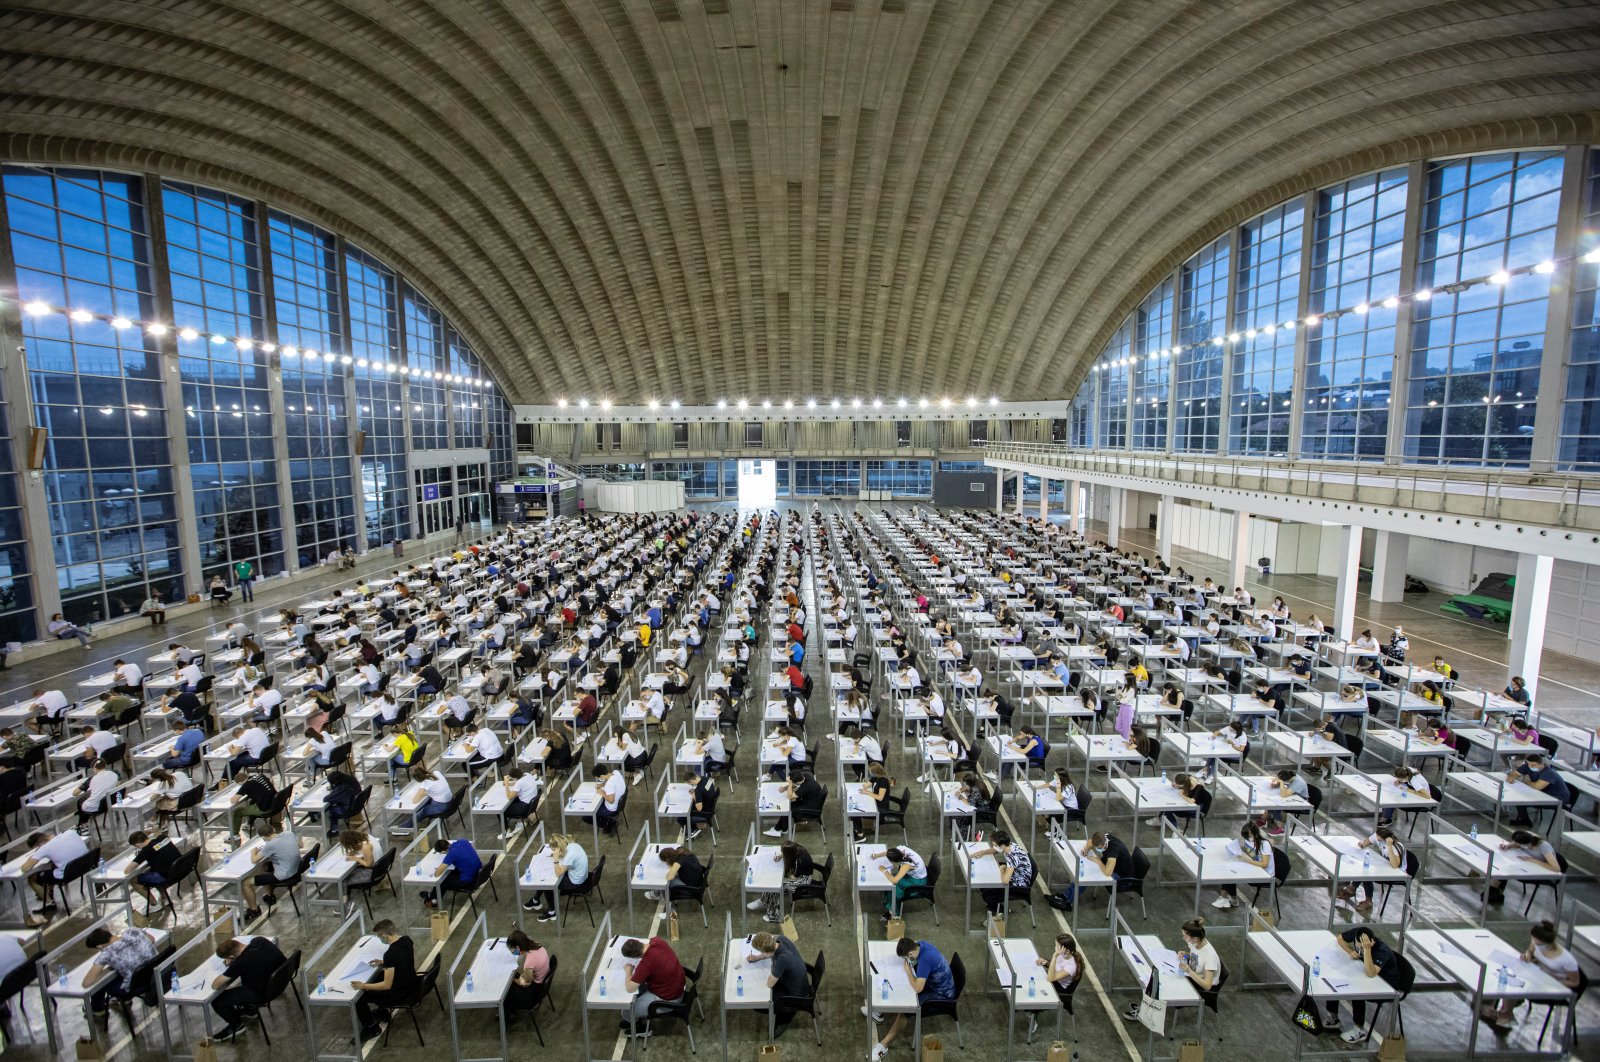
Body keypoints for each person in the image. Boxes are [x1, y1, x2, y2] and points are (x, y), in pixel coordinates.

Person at [863, 937, 955, 1059]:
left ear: (910, 954)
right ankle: (879, 1012)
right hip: (934, 983)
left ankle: (883, 1046)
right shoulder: (919, 944)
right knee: (899, 985)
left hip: (942, 994)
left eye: (906, 958)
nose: (907, 961)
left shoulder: (925, 960)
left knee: (906, 1010)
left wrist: (908, 971)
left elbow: (918, 988)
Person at [1480, 920, 1581, 1030]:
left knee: (1517, 985)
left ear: (1548, 943)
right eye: (1533, 940)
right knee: (1512, 978)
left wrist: (1554, 980)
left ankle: (1505, 1014)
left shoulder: (1567, 960)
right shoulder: (1536, 943)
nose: (1534, 943)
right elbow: (1530, 951)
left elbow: (1575, 982)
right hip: (1538, 975)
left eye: (1538, 943)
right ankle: (1506, 1014)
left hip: (1554, 986)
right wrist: (1527, 956)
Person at [1322, 926, 1406, 1044]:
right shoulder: (1358, 933)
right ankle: (1333, 1017)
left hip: (1386, 985)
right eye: (1357, 945)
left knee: (1357, 991)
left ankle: (1359, 1030)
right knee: (1337, 979)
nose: (1358, 948)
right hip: (1369, 976)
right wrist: (1350, 951)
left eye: (1361, 946)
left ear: (1372, 942)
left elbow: (1371, 973)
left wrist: (1366, 950)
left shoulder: (1382, 951)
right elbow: (1340, 938)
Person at [209, 934, 288, 1036]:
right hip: (281, 980)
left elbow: (215, 985)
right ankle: (250, 1010)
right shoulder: (260, 941)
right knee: (249, 976)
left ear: (231, 957)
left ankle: (236, 1025)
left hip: (263, 994)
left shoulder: (240, 963)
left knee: (217, 1000)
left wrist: (234, 963)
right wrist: (234, 960)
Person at [352, 920, 418, 1041]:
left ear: (384, 936)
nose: (380, 940)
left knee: (359, 998)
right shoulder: (407, 940)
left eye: (379, 937)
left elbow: (387, 985)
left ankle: (371, 1028)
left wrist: (363, 986)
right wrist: (384, 963)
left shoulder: (390, 954)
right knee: (378, 977)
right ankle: (382, 1012)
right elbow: (402, 959)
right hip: (413, 983)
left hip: (400, 994)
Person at [82, 925, 159, 1022]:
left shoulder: (107, 953)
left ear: (99, 946)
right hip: (154, 975)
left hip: (134, 987)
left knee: (99, 985)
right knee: (124, 972)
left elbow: (86, 983)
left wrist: (104, 971)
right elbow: (152, 939)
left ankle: (98, 1010)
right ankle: (123, 1001)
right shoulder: (133, 931)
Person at [746, 931, 809, 1038]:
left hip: (796, 994)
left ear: (767, 952)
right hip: (798, 981)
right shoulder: (781, 939)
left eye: (762, 952)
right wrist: (757, 957)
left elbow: (770, 983)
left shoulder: (782, 959)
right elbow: (770, 952)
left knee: (758, 1004)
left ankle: (785, 1019)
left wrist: (773, 970)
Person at [620, 934, 685, 1036]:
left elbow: (630, 988)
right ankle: (636, 1018)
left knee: (626, 1011)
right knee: (640, 989)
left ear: (636, 956)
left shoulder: (646, 964)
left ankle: (642, 1028)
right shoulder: (658, 941)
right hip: (676, 987)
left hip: (668, 999)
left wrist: (628, 972)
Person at [21, 828, 91, 922]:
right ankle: (50, 892)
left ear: (40, 844)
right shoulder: (70, 832)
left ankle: (50, 903)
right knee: (53, 866)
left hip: (68, 874)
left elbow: (25, 868)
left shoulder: (44, 848)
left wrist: (33, 856)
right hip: (86, 865)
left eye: (36, 848)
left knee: (32, 879)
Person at [1050, 831, 1129, 912]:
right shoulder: (1103, 837)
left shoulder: (1113, 850)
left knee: (1086, 879)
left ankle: (1067, 903)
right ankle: (1064, 896)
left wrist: (1098, 861)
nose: (1098, 849)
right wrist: (1086, 849)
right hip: (1109, 865)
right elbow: (1090, 842)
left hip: (1120, 875)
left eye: (1099, 848)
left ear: (1104, 844)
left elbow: (1108, 872)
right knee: (1083, 875)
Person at [241, 819, 301, 920]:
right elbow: (301, 845)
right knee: (265, 866)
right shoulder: (288, 834)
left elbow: (254, 860)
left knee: (245, 883)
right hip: (297, 869)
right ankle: (269, 895)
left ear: (264, 838)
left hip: (284, 875)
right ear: (273, 829)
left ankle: (254, 910)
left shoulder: (270, 845)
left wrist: (253, 852)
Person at [1486, 830, 1563, 907]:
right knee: (1504, 870)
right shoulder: (1528, 836)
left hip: (1542, 874)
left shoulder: (1544, 847)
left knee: (1507, 872)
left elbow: (1556, 868)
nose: (1518, 845)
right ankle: (1495, 893)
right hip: (1528, 867)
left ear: (1527, 844)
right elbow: (1516, 843)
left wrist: (1533, 860)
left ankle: (1493, 894)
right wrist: (1508, 845)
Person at [1339, 826, 1405, 914]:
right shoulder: (1378, 837)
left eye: (1379, 839)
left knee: (1367, 873)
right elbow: (1366, 842)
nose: (1377, 840)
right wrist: (1362, 844)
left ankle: (1367, 900)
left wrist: (1389, 846)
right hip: (1385, 865)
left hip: (1398, 872)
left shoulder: (1395, 847)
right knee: (1365, 867)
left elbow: (1395, 865)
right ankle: (1352, 889)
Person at [522, 832, 588, 922]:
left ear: (558, 848)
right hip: (582, 876)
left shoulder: (570, 855)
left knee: (546, 884)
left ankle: (552, 912)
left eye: (554, 850)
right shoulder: (572, 844)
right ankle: (535, 900)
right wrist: (557, 855)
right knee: (545, 878)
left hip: (575, 882)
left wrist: (556, 859)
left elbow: (558, 873)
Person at [969, 829, 1035, 915]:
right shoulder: (1010, 845)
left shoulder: (1012, 857)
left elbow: (1005, 881)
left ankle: (1003, 911)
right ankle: (992, 903)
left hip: (1018, 884)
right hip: (1014, 873)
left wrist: (1002, 868)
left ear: (1002, 845)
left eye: (995, 845)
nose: (994, 847)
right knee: (984, 883)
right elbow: (995, 850)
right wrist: (982, 852)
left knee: (987, 894)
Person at [1212, 821, 1272, 909]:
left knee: (1232, 873)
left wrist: (1246, 860)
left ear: (1254, 833)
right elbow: (1248, 850)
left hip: (1264, 874)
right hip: (1252, 866)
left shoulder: (1265, 844)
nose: (1247, 838)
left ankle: (1225, 898)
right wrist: (1236, 849)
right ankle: (1230, 898)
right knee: (1229, 870)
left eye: (1249, 836)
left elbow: (1265, 864)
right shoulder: (1249, 840)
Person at [1036, 933, 1083, 1036]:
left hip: (1060, 991)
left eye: (1057, 946)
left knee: (1034, 992)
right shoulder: (1064, 955)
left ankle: (1033, 1015)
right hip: (1055, 981)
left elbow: (1050, 978)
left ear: (1065, 949)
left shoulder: (1071, 966)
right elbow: (1057, 968)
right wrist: (1046, 963)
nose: (1055, 948)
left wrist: (1053, 957)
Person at [1507, 753, 1570, 827]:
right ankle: (1524, 820)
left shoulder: (1549, 773)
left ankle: (1525, 820)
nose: (1530, 767)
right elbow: (1514, 773)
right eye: (1528, 764)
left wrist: (1527, 781)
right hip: (1542, 794)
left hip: (1557, 799)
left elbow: (1537, 786)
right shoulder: (1529, 766)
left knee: (1522, 800)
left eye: (1533, 765)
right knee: (1518, 797)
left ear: (1541, 764)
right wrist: (1511, 777)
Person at [420, 835, 482, 909]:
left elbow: (437, 874)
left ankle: (433, 900)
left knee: (442, 882)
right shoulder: (463, 841)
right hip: (478, 873)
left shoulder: (451, 854)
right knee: (451, 872)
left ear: (443, 851)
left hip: (469, 880)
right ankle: (433, 897)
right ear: (447, 841)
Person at [127, 828, 184, 910]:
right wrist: (149, 831)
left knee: (133, 880)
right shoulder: (164, 837)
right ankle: (165, 898)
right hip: (180, 869)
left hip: (167, 876)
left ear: (138, 845)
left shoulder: (146, 850)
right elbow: (157, 830)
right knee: (152, 871)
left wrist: (138, 857)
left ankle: (154, 905)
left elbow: (127, 871)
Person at [873, 845, 929, 919]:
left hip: (917, 882)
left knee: (893, 888)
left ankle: (894, 914)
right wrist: (877, 855)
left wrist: (884, 870)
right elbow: (890, 852)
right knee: (890, 880)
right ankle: (891, 908)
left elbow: (894, 881)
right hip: (914, 875)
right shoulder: (901, 849)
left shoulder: (906, 865)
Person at [502, 929, 553, 1011]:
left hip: (535, 990)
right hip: (543, 979)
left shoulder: (529, 963)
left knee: (505, 991)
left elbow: (526, 983)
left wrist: (512, 980)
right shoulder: (536, 944)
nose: (512, 952)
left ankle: (507, 1016)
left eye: (512, 950)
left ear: (518, 948)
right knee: (516, 975)